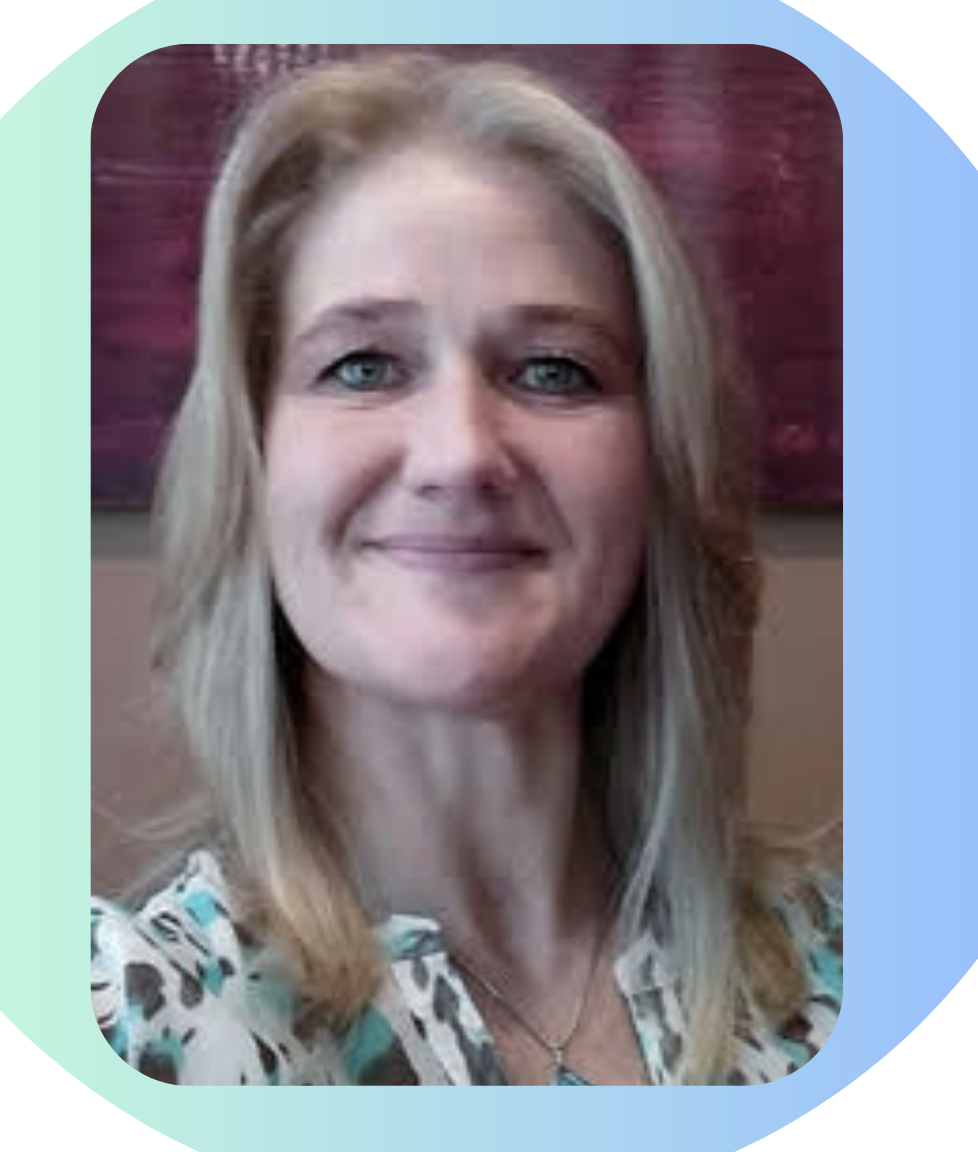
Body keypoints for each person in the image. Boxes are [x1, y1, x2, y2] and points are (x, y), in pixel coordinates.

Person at [91, 53, 841, 1086]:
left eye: (552, 370)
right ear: (252, 469)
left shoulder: (851, 972)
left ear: (658, 474)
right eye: (361, 364)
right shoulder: (122, 1031)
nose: (459, 454)